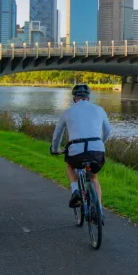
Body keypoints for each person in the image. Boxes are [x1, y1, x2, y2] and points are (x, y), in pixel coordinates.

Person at [50, 84, 111, 212]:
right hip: (97, 150)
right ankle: (99, 210)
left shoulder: (67, 112)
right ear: (88, 98)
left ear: (74, 98)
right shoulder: (100, 109)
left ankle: (76, 191)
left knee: (70, 165)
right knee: (93, 177)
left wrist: (55, 149)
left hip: (76, 151)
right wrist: (101, 142)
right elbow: (107, 131)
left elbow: (57, 135)